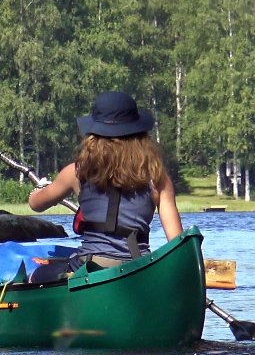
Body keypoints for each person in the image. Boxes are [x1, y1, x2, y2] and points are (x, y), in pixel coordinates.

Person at [26, 90, 184, 283]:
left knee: (35, 275)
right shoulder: (158, 178)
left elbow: (36, 204)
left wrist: (39, 189)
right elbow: (178, 245)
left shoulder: (77, 172)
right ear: (140, 134)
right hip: (138, 268)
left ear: (93, 134)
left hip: (90, 266)